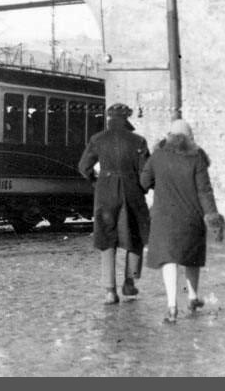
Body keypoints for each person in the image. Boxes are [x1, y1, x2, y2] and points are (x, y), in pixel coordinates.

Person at [140, 119, 225, 324]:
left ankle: (172, 306)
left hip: (164, 217)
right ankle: (193, 297)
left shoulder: (158, 155)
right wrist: (212, 217)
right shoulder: (197, 157)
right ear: (190, 137)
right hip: (191, 216)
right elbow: (205, 191)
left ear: (169, 136)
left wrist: (160, 183)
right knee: (191, 258)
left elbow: (144, 181)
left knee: (168, 260)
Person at [78, 103, 151, 305]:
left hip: (105, 192)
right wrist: (142, 188)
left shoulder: (97, 139)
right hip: (132, 191)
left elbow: (83, 167)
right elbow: (146, 173)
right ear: (126, 119)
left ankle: (110, 291)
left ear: (109, 119)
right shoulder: (138, 141)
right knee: (135, 236)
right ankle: (129, 283)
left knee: (106, 238)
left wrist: (97, 182)